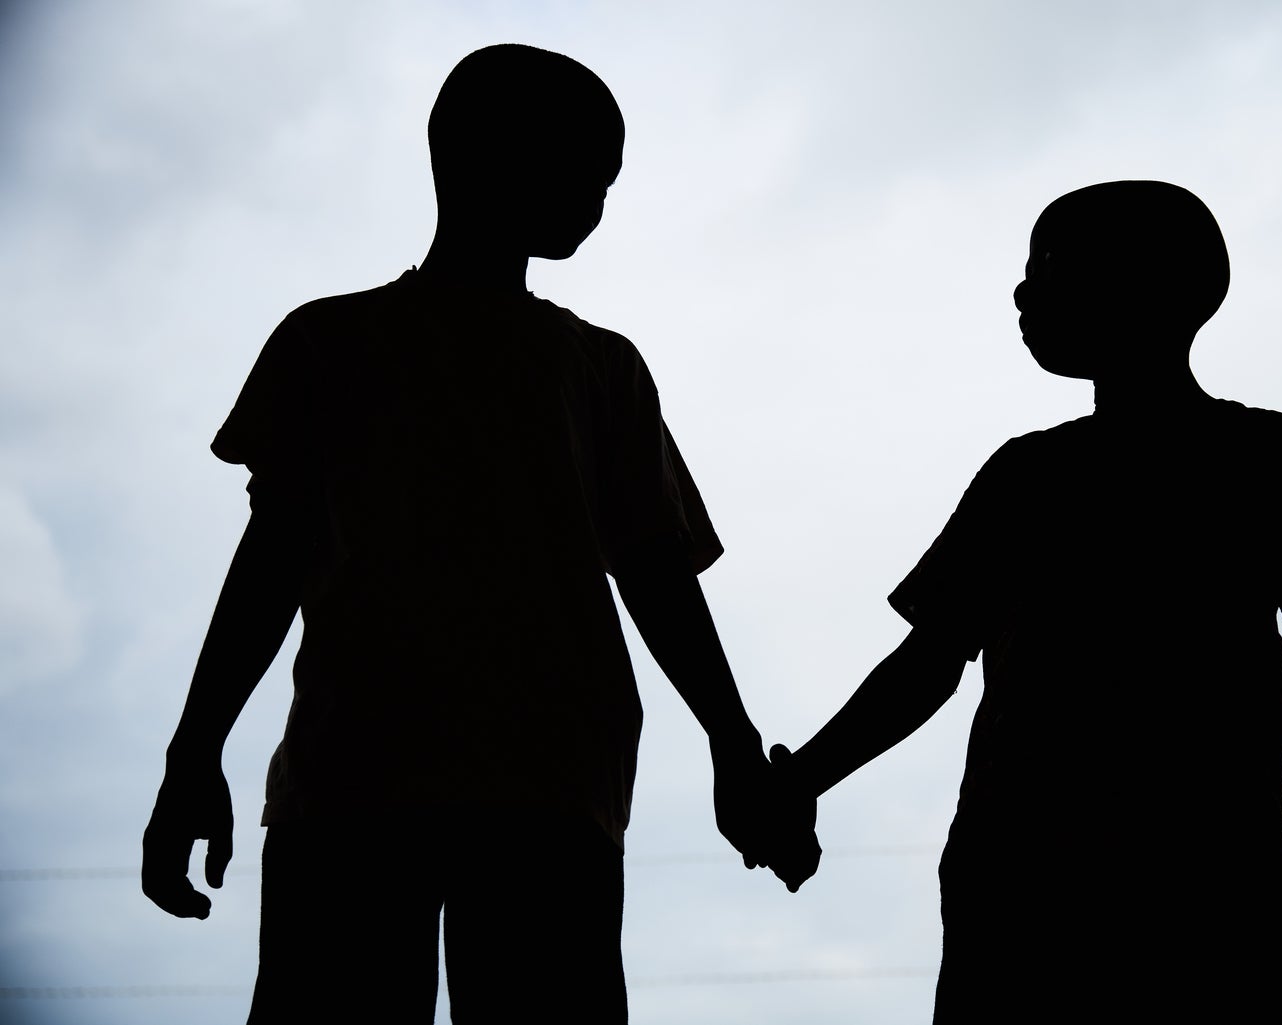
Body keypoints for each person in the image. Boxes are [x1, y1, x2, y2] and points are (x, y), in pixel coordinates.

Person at [141, 43, 817, 1024]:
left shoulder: (591, 369)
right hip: (421, 780)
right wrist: (191, 753)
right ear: (487, 153)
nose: (596, 200)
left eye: (609, 180)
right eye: (587, 169)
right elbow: (273, 561)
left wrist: (733, 741)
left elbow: (656, 571)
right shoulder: (336, 345)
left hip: (485, 782)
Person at [770, 181, 1282, 1022]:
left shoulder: (1265, 460)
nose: (1022, 290)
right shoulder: (1034, 475)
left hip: (1184, 895)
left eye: (1048, 265)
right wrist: (806, 777)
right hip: (1043, 893)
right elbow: (928, 663)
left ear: (1146, 283)